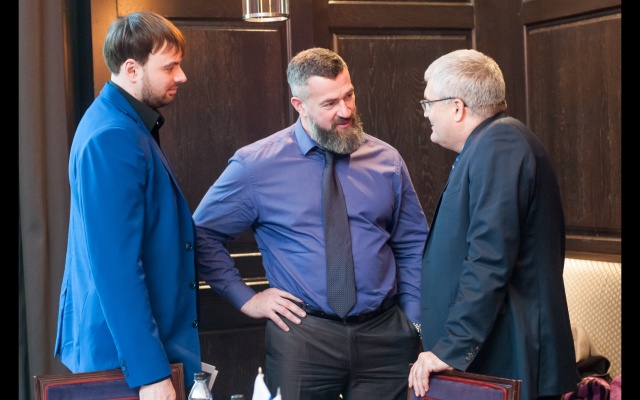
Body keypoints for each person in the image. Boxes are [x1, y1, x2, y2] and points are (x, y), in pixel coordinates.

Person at [193, 47, 429, 400]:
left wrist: (413, 320)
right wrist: (246, 299)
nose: (345, 111)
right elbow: (201, 234)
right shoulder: (255, 166)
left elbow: (412, 242)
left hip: (386, 337)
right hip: (302, 337)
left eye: (349, 95)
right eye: (330, 103)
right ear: (299, 105)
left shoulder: (387, 160)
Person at [408, 49, 579, 400]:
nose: (425, 113)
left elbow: (490, 258)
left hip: (511, 355)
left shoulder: (500, 143)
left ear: (456, 107)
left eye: (428, 103)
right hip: (497, 350)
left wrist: (452, 346)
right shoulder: (489, 143)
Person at [54, 11, 201, 399]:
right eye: (170, 67)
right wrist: (150, 373)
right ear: (132, 69)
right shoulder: (113, 135)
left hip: (127, 351)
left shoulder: (121, 120)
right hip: (123, 359)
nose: (181, 76)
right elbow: (116, 267)